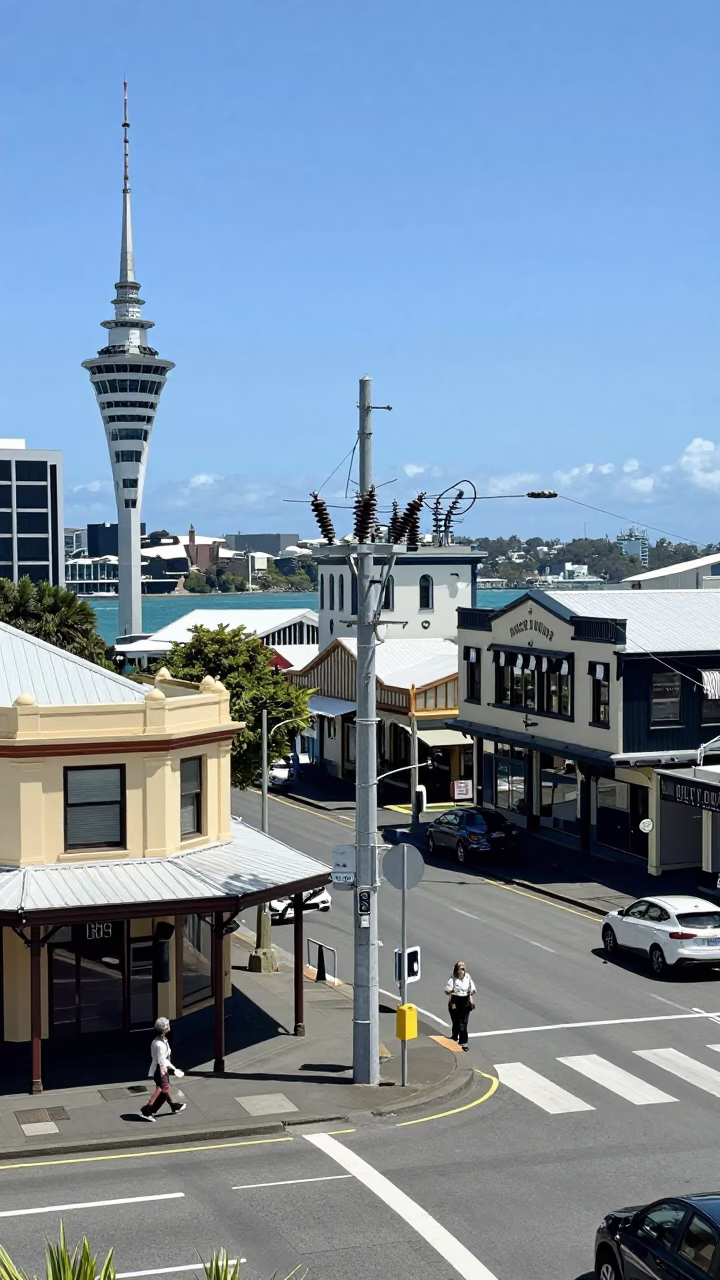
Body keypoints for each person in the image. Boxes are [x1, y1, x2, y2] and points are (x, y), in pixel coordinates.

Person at [139, 1017, 187, 1121]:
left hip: (161, 1068)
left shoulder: (161, 1040)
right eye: (167, 1025)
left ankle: (173, 1106)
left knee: (166, 1087)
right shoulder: (159, 1044)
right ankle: (147, 1110)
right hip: (160, 1069)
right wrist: (174, 1068)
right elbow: (162, 1060)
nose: (169, 1026)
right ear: (164, 1029)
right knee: (162, 1089)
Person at [445, 961, 476, 1050]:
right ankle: (455, 1036)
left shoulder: (468, 977)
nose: (462, 970)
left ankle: (463, 1042)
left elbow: (472, 989)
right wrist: (452, 991)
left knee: (463, 1023)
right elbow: (446, 991)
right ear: (457, 969)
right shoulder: (453, 979)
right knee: (456, 1022)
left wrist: (471, 993)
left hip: (465, 1002)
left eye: (463, 968)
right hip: (455, 1002)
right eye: (460, 968)